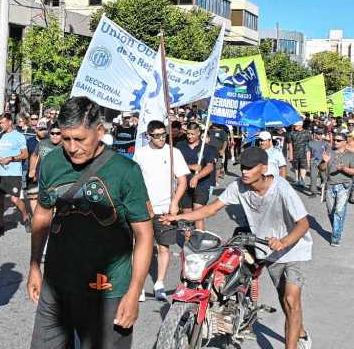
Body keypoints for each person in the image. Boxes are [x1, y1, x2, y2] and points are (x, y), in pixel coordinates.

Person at [28, 97, 152, 349]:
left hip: (106, 290)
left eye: (79, 139)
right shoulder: (51, 163)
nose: (72, 147)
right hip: (57, 284)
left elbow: (144, 235)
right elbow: (42, 216)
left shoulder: (126, 171)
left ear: (100, 131)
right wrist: (34, 266)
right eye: (65, 138)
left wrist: (134, 292)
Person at [164, 147, 313, 349]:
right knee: (284, 301)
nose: (244, 171)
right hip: (266, 250)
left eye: (250, 168)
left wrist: (283, 242)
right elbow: (212, 208)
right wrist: (179, 217)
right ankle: (299, 330)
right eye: (243, 167)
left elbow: (303, 223)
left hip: (293, 248)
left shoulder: (281, 188)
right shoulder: (238, 186)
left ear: (264, 168)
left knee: (290, 298)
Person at [132, 119, 189, 302]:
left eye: (164, 135)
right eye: (157, 136)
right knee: (142, 247)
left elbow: (182, 181)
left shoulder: (174, 153)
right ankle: (139, 285)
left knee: (163, 247)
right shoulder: (140, 154)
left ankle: (159, 283)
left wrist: (175, 202)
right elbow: (135, 181)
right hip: (144, 208)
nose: (161, 139)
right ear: (149, 135)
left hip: (166, 209)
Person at [0, 113, 30, 236]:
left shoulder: (19, 136)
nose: (0, 125)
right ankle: (0, 225)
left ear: (9, 122)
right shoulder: (1, 135)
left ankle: (25, 217)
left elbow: (25, 154)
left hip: (13, 172)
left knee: (14, 199)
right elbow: (0, 151)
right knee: (0, 200)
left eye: (2, 122)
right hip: (0, 172)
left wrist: (11, 158)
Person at [319, 131, 354, 246]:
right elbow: (321, 169)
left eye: (338, 140)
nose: (335, 142)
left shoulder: (350, 155)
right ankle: (338, 229)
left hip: (344, 186)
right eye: (334, 140)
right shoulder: (329, 153)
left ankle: (335, 237)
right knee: (331, 212)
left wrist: (343, 168)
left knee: (338, 212)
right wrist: (324, 162)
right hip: (330, 186)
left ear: (344, 142)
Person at [175, 122, 218, 231]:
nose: (190, 136)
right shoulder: (180, 146)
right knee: (187, 217)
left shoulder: (208, 148)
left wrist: (196, 177)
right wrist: (190, 166)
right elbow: (174, 164)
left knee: (198, 216)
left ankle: (200, 243)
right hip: (184, 184)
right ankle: (188, 244)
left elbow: (209, 167)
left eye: (193, 134)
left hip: (202, 185)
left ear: (199, 133)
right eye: (188, 133)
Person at [27, 120, 61, 220]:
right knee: (43, 203)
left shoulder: (65, 146)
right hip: (43, 178)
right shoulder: (43, 143)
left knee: (55, 204)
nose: (55, 135)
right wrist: (32, 169)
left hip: (58, 179)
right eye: (52, 133)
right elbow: (34, 155)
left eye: (58, 133)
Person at [305, 128, 330, 198]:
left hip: (322, 162)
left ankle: (324, 192)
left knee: (324, 177)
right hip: (314, 162)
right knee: (313, 177)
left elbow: (328, 153)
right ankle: (313, 192)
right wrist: (308, 163)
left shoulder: (325, 143)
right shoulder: (310, 143)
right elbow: (308, 153)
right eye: (318, 134)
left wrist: (326, 162)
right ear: (315, 134)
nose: (319, 135)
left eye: (321, 134)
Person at [286, 121, 311, 187]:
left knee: (303, 166)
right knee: (296, 167)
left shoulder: (307, 133)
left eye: (296, 125)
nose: (294, 126)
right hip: (295, 152)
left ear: (301, 125)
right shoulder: (291, 133)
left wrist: (309, 154)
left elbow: (310, 144)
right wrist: (290, 154)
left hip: (304, 152)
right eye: (294, 125)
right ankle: (297, 180)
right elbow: (290, 144)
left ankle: (302, 180)